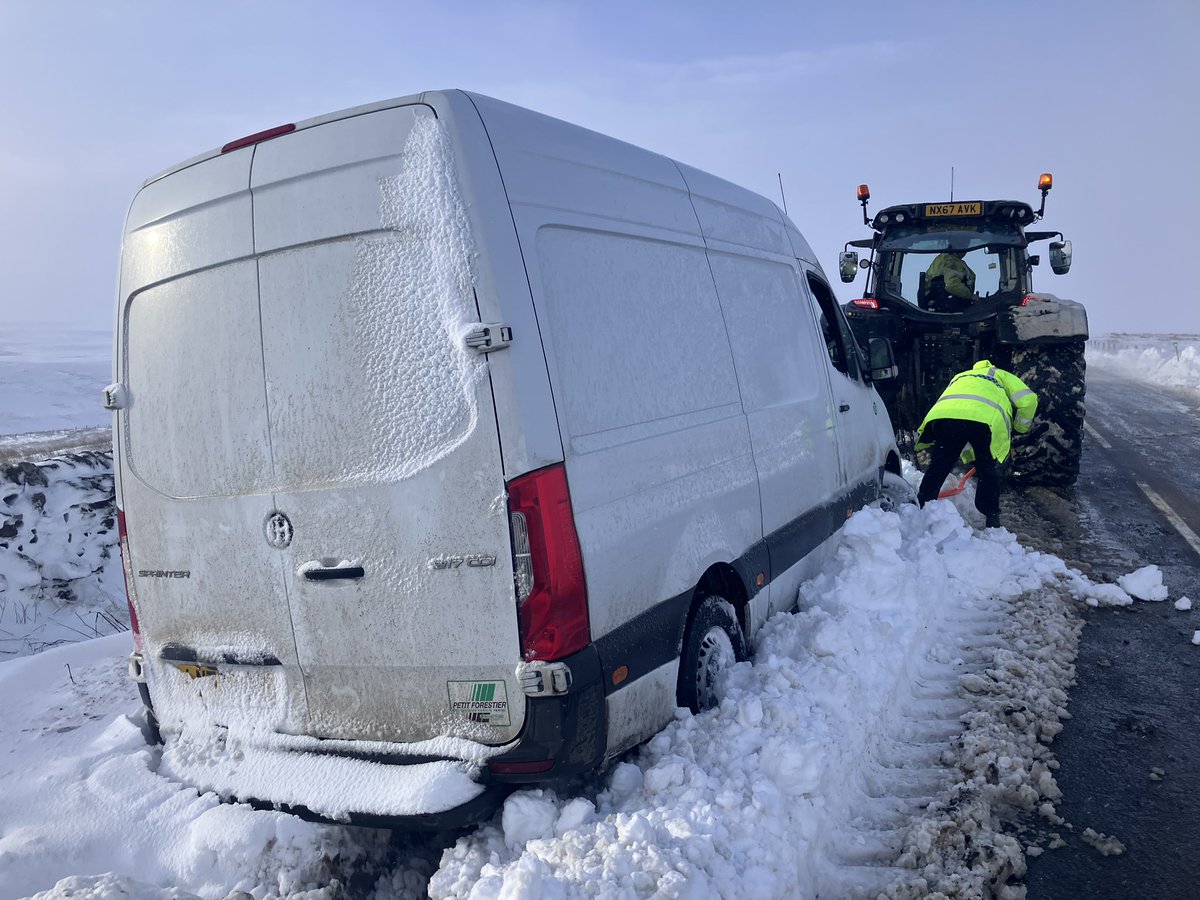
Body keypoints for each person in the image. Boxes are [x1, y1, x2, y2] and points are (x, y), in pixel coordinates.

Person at [915, 360, 1038, 529]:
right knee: (987, 469)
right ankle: (992, 518)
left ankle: (921, 508)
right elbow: (1029, 399)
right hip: (983, 422)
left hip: (945, 418)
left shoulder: (961, 376)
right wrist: (1019, 428)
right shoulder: (1000, 375)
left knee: (939, 465)